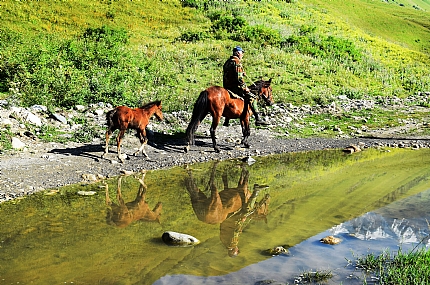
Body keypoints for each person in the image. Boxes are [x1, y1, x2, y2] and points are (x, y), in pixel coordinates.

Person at [222, 46, 269, 126]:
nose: (242, 55)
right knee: (252, 97)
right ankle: (258, 118)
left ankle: (227, 121)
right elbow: (239, 79)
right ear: (237, 53)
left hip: (227, 86)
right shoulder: (237, 63)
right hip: (235, 87)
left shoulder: (227, 62)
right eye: (241, 53)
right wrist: (245, 87)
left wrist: (242, 72)